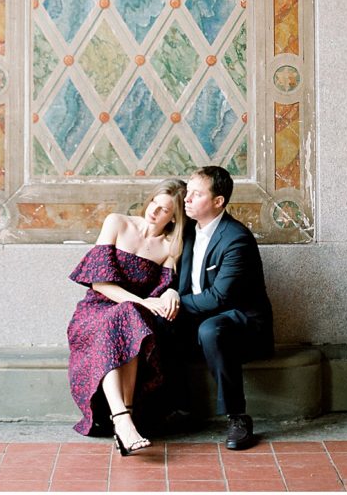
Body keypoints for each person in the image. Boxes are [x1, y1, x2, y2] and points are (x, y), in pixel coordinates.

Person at [66, 177, 186, 455]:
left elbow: (166, 289)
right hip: (95, 310)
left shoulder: (170, 246)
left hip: (132, 318)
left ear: (173, 217)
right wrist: (141, 301)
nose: (154, 211)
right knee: (124, 316)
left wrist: (172, 294)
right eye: (154, 202)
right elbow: (100, 283)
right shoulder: (117, 222)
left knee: (128, 318)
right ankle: (123, 420)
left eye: (164, 209)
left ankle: (124, 422)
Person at [174, 166, 274, 450]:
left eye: (197, 194)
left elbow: (220, 297)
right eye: (188, 192)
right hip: (198, 317)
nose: (187, 199)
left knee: (211, 329)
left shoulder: (236, 238)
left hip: (242, 324)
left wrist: (176, 303)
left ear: (218, 202)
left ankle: (238, 417)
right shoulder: (189, 232)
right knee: (154, 323)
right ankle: (175, 408)